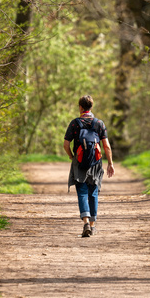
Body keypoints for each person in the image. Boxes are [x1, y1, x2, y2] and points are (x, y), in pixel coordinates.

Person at [63, 95, 115, 237]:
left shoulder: (74, 123)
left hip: (79, 163)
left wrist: (72, 157)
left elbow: (66, 144)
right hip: (96, 163)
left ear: (80, 107)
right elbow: (106, 146)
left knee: (82, 192)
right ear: (91, 107)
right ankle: (92, 225)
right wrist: (110, 163)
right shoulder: (99, 123)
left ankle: (85, 221)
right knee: (93, 193)